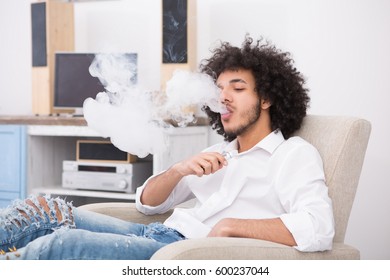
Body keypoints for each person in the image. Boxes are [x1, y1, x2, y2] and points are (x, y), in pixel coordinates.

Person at [0, 36, 334, 260]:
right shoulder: (221, 152)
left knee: (60, 245)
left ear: (267, 98)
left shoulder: (293, 155)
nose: (223, 97)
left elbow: (319, 227)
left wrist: (233, 226)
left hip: (182, 253)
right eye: (219, 88)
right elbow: (146, 204)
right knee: (45, 211)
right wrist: (178, 170)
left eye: (238, 87)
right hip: (156, 232)